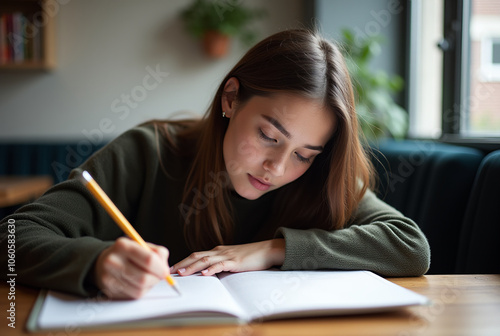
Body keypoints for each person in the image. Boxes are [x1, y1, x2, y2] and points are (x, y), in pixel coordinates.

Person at [0, 29, 430, 299]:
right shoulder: (148, 153)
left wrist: (272, 251)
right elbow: (12, 238)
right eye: (268, 136)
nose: (277, 168)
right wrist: (94, 263)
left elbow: (409, 246)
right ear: (230, 99)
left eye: (303, 154)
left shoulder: (323, 177)